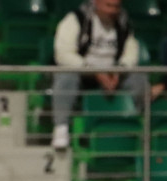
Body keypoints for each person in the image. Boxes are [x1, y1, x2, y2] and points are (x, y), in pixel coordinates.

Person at [50, 0, 150, 150]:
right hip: (82, 71)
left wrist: (119, 70)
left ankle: (132, 124)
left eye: (116, 6)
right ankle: (61, 128)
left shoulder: (123, 22)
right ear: (96, 3)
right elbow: (63, 54)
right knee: (65, 75)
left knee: (139, 79)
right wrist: (94, 71)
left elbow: (131, 51)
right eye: (108, 6)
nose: (112, 10)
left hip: (112, 72)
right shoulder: (76, 19)